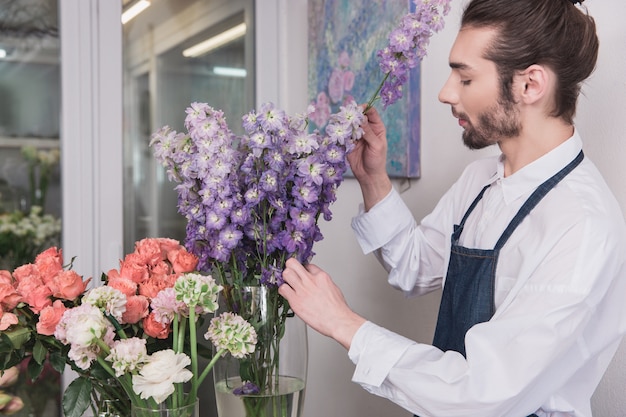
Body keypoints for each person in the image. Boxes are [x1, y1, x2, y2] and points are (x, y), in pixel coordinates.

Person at [278, 0, 626, 416]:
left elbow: (484, 395)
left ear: (530, 85)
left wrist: (343, 323)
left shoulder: (583, 225)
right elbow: (415, 267)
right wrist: (373, 179)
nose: (446, 92)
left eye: (464, 77)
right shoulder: (480, 180)